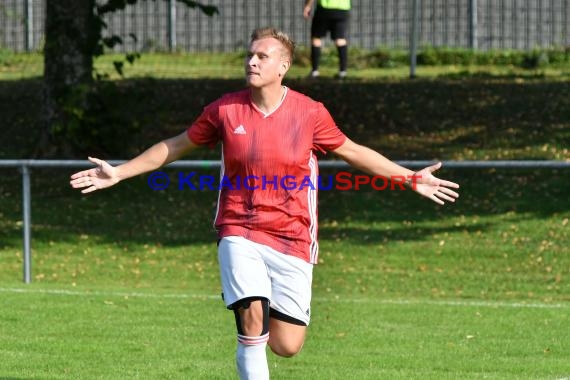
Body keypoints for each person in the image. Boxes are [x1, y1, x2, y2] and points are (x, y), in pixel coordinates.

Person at [70, 27, 459, 380]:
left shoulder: (309, 113)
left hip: (292, 235)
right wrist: (119, 172)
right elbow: (175, 145)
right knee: (252, 316)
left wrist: (409, 179)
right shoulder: (225, 109)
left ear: (283, 67)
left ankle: (256, 324)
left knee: (287, 345)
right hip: (239, 227)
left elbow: (355, 152)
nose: (252, 61)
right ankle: (249, 321)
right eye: (250, 55)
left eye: (262, 56)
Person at [303, 0, 351, 79]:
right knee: (340, 39)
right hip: (342, 9)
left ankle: (315, 71)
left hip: (324, 9)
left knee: (316, 38)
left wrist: (308, 6)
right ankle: (343, 71)